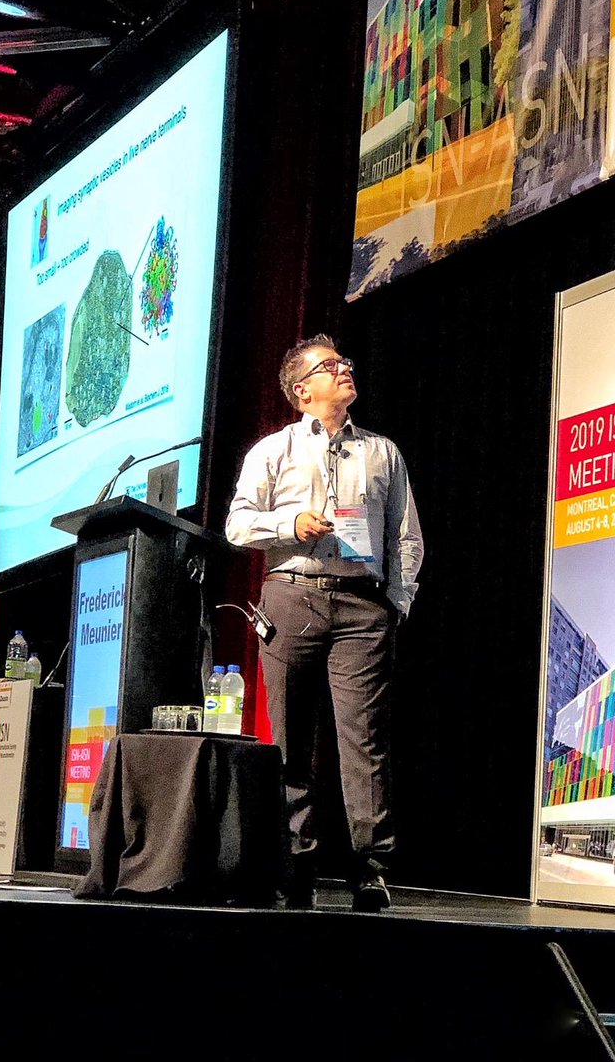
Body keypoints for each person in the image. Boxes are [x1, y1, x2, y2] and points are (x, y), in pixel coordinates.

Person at [225, 334, 423, 912]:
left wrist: (395, 604)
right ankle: (297, 866)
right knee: (290, 739)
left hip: (363, 607)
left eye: (344, 363)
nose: (344, 370)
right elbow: (238, 525)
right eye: (329, 366)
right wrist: (290, 524)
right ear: (301, 390)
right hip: (292, 596)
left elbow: (406, 536)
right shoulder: (273, 450)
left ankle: (370, 870)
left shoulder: (382, 452)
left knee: (365, 742)